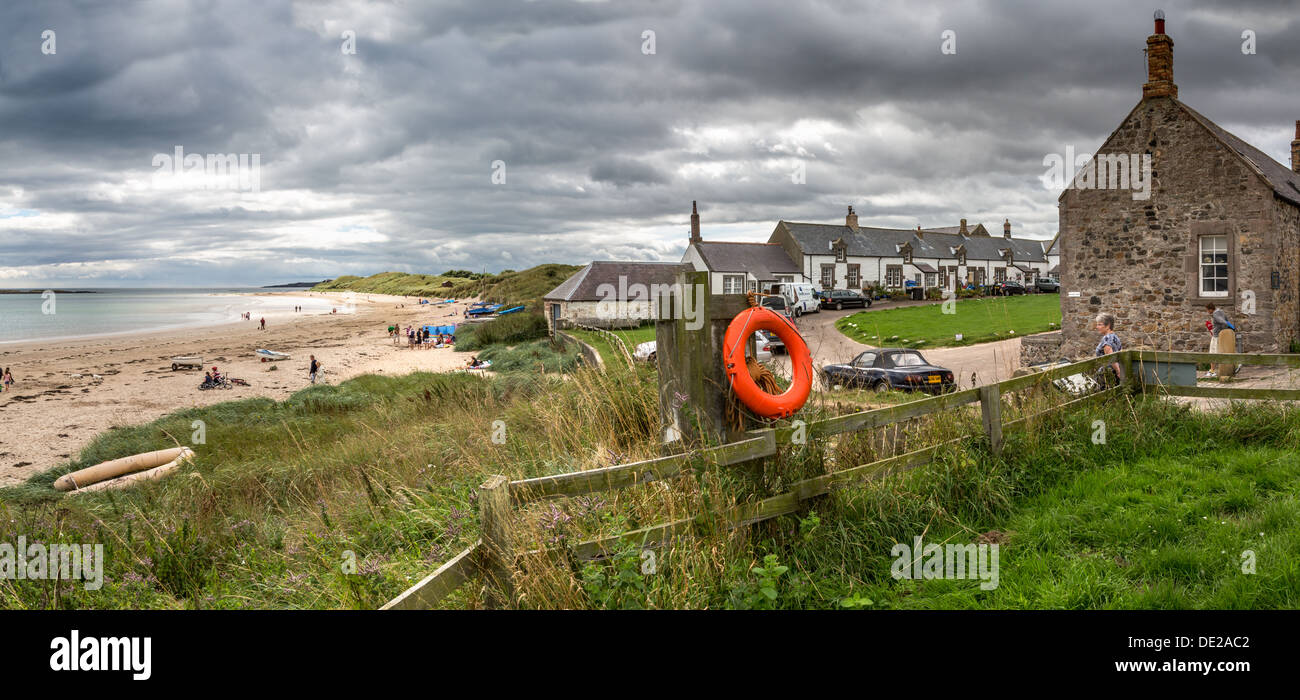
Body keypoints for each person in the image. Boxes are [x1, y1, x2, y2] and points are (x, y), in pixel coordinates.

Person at [1093, 313, 1122, 386]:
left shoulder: (1107, 338)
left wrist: (1118, 371)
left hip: (1107, 374)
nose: (1097, 327)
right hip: (1113, 372)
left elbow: (1110, 357)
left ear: (1108, 325)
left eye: (1099, 324)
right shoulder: (1115, 337)